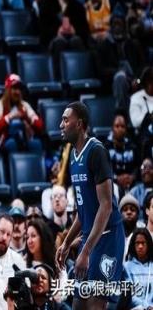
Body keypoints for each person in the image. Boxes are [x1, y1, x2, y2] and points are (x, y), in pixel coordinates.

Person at [56, 102, 125, 309]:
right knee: (78, 305)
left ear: (79, 124)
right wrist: (66, 243)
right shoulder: (73, 156)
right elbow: (82, 211)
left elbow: (106, 206)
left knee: (95, 304)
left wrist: (85, 252)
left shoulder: (96, 151)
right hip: (91, 237)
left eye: (65, 120)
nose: (61, 125)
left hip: (108, 237)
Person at [0, 73, 44, 154]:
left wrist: (26, 117)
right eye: (14, 88)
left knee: (36, 144)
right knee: (12, 143)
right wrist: (10, 117)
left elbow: (40, 126)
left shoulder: (24, 105)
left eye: (19, 89)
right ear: (8, 90)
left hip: (25, 139)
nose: (18, 92)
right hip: (6, 140)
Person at [104, 113, 138, 193]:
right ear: (112, 128)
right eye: (117, 126)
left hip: (131, 183)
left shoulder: (132, 146)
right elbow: (103, 169)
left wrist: (132, 177)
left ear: (126, 129)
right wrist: (116, 178)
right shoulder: (105, 146)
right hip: (112, 183)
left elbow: (137, 166)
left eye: (122, 126)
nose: (120, 129)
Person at [122, 228, 153, 309]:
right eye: (137, 243)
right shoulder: (127, 267)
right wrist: (147, 306)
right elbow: (129, 296)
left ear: (148, 244)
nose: (140, 246)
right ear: (133, 245)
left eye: (143, 243)